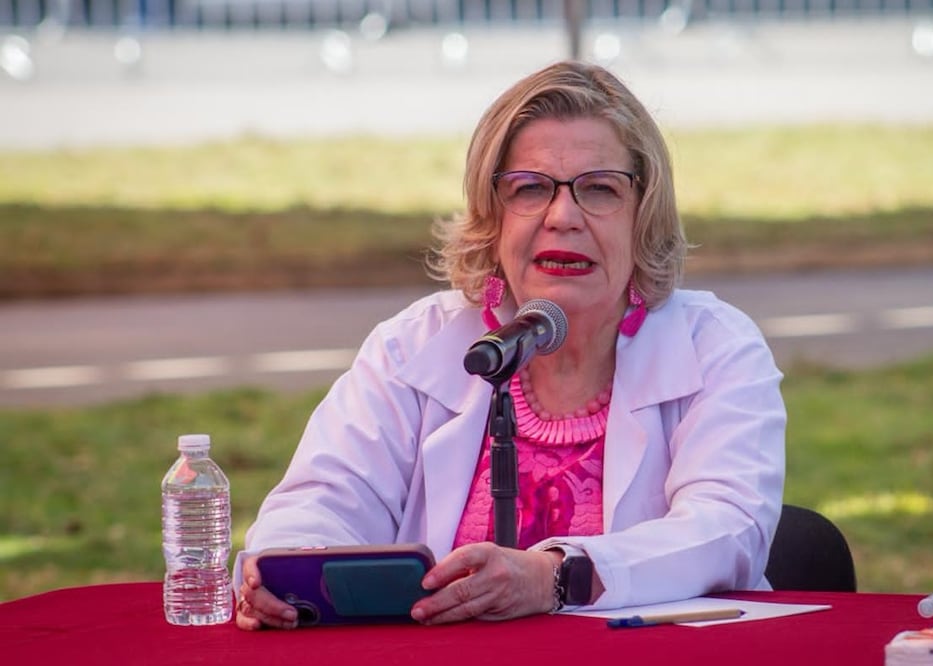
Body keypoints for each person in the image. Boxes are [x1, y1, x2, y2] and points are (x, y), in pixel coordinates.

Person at [234, 60, 786, 630]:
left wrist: (554, 576)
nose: (563, 216)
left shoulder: (716, 345)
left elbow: (728, 528)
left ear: (642, 214)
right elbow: (319, 501)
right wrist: (277, 574)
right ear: (491, 217)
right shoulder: (414, 345)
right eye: (530, 189)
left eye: (599, 189)